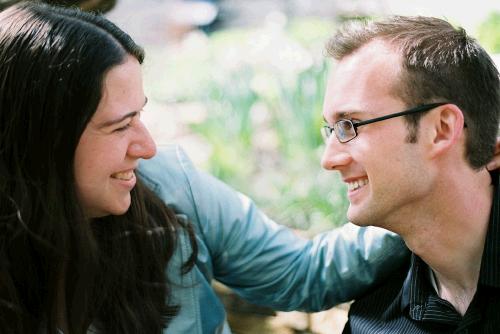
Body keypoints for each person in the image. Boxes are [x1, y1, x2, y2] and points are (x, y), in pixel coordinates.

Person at [0, 3, 413, 334]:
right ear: (44, 138)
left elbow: (303, 273)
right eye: (119, 125)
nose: (145, 147)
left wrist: (415, 199)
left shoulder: (168, 185)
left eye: (139, 116)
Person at [320, 15, 500, 332]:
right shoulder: (370, 320)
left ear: (441, 129)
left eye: (350, 125)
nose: (329, 159)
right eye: (331, 129)